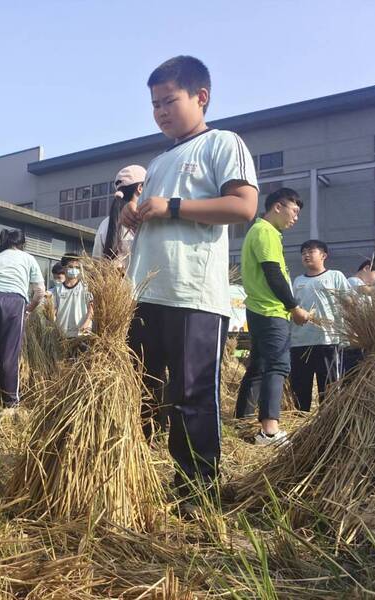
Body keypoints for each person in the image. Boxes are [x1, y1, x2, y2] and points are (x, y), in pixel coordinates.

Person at [120, 56, 259, 497]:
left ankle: (197, 492)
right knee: (140, 394)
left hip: (193, 296)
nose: (160, 111)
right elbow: (155, 217)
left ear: (201, 97)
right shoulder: (159, 162)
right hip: (147, 294)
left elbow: (243, 206)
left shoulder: (223, 143)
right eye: (155, 104)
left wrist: (172, 206)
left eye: (169, 101)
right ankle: (130, 481)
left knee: (191, 397)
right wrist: (134, 215)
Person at [235, 188, 310, 445]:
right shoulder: (265, 232)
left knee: (257, 367)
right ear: (278, 206)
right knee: (277, 366)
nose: (296, 218)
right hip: (270, 310)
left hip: (258, 309)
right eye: (294, 211)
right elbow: (273, 274)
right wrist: (294, 307)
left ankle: (242, 422)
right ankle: (269, 431)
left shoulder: (260, 231)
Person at [0, 229, 45, 410]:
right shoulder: (27, 258)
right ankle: (10, 402)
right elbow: (40, 292)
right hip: (14, 302)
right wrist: (29, 309)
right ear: (22, 244)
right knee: (10, 353)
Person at [289, 240, 351, 412]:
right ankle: (301, 428)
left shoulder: (335, 276)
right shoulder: (298, 281)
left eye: (310, 251)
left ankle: (327, 430)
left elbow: (349, 303)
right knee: (300, 390)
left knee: (329, 389)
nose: (306, 255)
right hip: (300, 342)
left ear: (323, 255)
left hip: (328, 341)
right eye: (303, 253)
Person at [93, 165, 145, 274]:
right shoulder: (147, 220)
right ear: (140, 188)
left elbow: (97, 262)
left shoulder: (105, 223)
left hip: (116, 288)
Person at [50, 254, 93, 338]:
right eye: (70, 266)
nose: (74, 269)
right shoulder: (57, 289)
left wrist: (86, 324)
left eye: (77, 267)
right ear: (63, 268)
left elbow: (91, 309)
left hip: (82, 334)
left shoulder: (85, 286)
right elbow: (53, 310)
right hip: (63, 334)